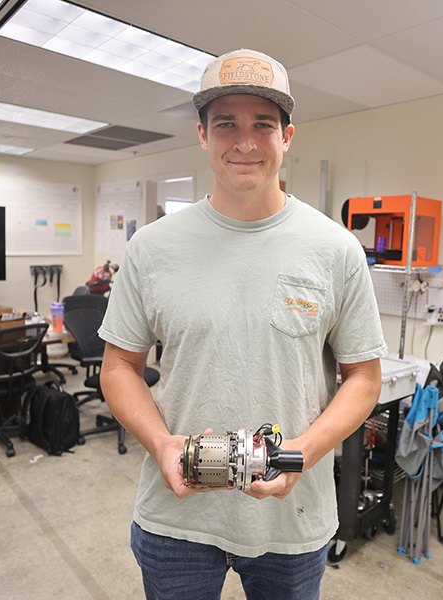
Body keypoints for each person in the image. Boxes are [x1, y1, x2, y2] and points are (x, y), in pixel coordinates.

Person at [98, 48, 387, 599]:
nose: (245, 141)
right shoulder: (152, 248)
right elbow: (119, 367)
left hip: (291, 523)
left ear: (288, 137)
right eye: (226, 123)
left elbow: (364, 378)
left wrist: (301, 453)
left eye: (264, 124)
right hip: (176, 517)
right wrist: (161, 443)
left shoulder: (335, 249)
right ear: (203, 136)